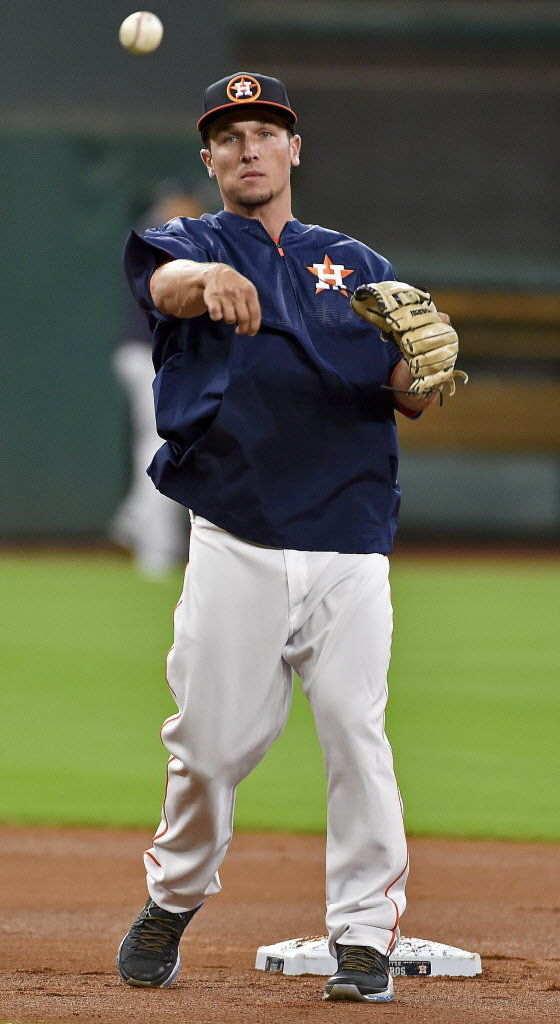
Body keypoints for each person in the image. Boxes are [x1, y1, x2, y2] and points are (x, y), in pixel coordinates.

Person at [116, 71, 450, 1003]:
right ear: (210, 158)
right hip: (239, 535)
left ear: (294, 149)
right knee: (213, 748)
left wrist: (421, 373)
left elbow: (409, 391)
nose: (249, 147)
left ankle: (363, 940)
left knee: (356, 731)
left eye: (266, 131)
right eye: (231, 136)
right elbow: (169, 286)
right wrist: (206, 279)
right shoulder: (186, 241)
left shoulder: (356, 263)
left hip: (349, 536)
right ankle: (174, 898)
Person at [110, 182, 205, 577]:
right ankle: (154, 545)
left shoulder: (167, 237)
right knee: (161, 446)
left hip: (148, 357)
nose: (194, 209)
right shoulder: (160, 238)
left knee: (161, 445)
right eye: (186, 202)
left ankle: (134, 518)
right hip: (148, 358)